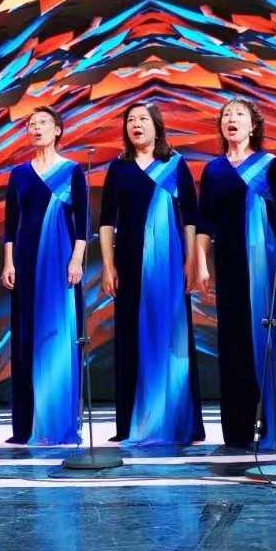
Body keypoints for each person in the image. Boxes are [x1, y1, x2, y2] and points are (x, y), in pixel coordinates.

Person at [198, 97, 276, 451]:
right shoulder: (213, 170)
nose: (231, 119)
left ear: (254, 125)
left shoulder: (269, 165)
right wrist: (201, 263)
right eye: (226, 114)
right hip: (229, 264)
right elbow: (205, 222)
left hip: (266, 263)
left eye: (239, 114)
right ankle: (238, 429)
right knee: (233, 342)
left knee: (270, 339)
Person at [98, 101, 204, 445]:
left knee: (172, 334)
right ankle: (131, 423)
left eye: (143, 119)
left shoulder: (175, 164)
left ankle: (178, 421)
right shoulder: (119, 167)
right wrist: (108, 265)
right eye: (130, 120)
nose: (136, 124)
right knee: (130, 335)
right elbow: (106, 221)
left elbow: (190, 217)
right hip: (127, 261)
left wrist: (191, 260)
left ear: (157, 126)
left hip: (169, 262)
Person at [0, 105, 88, 445]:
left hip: (60, 260)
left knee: (58, 333)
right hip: (24, 260)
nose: (36, 129)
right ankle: (26, 426)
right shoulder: (19, 174)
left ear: (58, 130)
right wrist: (8, 263)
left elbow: (82, 222)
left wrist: (76, 260)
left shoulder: (72, 171)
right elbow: (11, 223)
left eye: (43, 123)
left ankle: (59, 422)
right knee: (26, 335)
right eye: (31, 124)